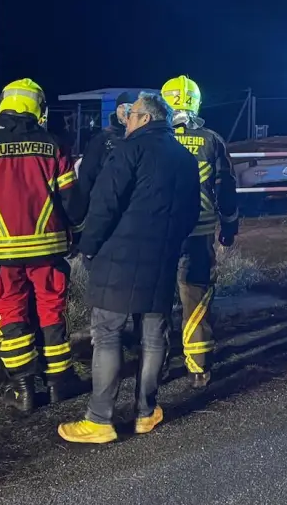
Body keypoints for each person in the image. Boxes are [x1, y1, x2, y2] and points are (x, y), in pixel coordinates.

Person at [59, 91, 199, 444]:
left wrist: (87, 247)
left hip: (117, 260)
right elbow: (192, 212)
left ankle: (100, 420)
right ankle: (145, 412)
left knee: (108, 334)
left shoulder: (128, 150)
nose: (127, 121)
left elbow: (105, 203)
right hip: (162, 259)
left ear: (146, 119)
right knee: (153, 338)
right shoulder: (184, 157)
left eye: (132, 114)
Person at [0, 79, 80, 412]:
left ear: (4, 106)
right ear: (38, 108)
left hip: (1, 253)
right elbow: (73, 203)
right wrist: (76, 231)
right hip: (48, 250)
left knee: (11, 314)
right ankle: (59, 382)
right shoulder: (55, 146)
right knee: (51, 312)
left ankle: (22, 389)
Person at [160, 75, 239, 387]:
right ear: (196, 102)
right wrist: (229, 226)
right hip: (199, 232)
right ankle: (199, 368)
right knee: (196, 297)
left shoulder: (153, 140)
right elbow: (226, 189)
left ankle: (158, 365)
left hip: (159, 236)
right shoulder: (211, 140)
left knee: (158, 300)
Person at [69, 90, 138, 229]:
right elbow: (86, 175)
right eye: (122, 107)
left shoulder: (143, 139)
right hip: (106, 210)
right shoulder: (102, 139)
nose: (126, 112)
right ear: (117, 109)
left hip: (135, 211)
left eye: (130, 108)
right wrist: (79, 213)